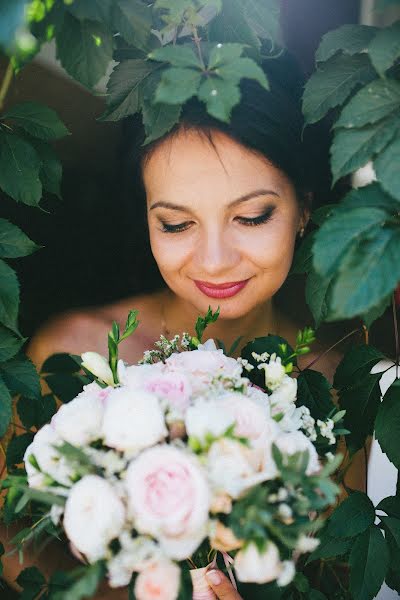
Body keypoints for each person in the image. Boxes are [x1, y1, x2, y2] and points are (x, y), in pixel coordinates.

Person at [1, 52, 367, 600]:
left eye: (251, 216)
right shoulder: (71, 353)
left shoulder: (347, 394)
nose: (214, 260)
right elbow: (12, 532)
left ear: (304, 208)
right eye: (176, 223)